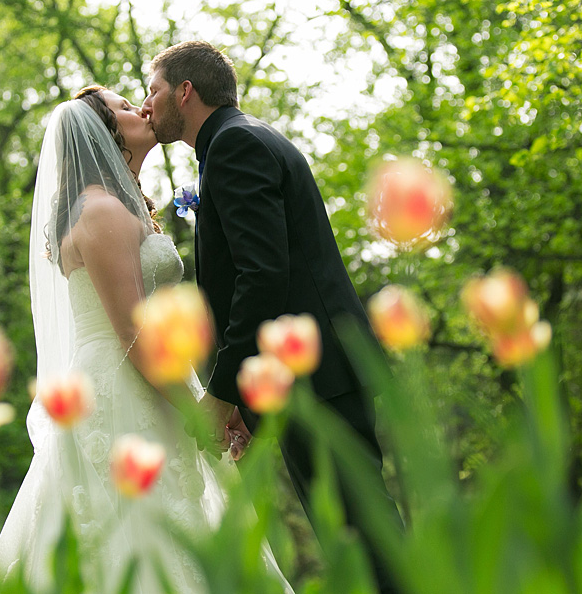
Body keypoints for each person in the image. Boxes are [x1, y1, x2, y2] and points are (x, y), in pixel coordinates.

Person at [0, 86, 291, 593]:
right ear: (105, 133)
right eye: (126, 107)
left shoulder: (117, 207)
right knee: (136, 536)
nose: (142, 108)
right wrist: (199, 409)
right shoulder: (101, 211)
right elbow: (132, 332)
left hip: (146, 378)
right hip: (120, 391)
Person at [141, 40, 403, 594]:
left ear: (184, 92)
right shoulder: (242, 139)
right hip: (310, 376)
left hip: (313, 378)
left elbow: (263, 277)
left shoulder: (235, 145)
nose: (147, 104)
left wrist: (223, 390)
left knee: (364, 539)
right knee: (357, 537)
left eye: (154, 90)